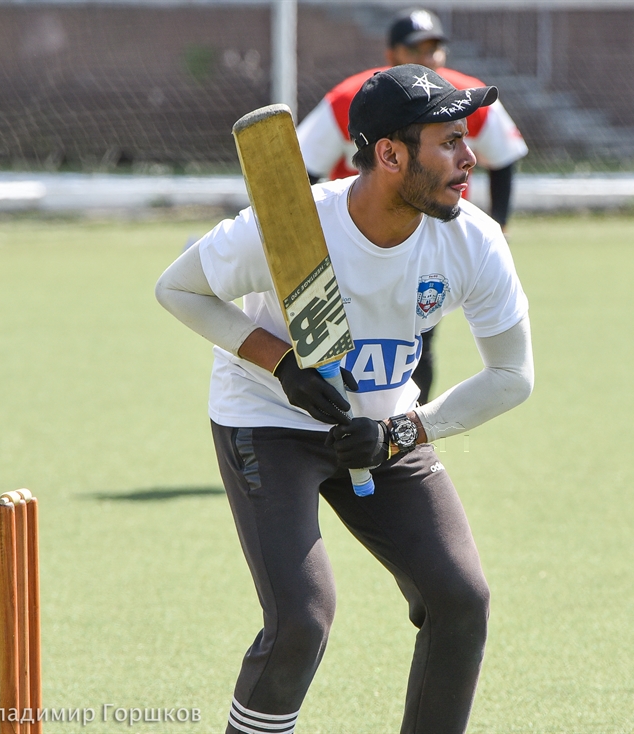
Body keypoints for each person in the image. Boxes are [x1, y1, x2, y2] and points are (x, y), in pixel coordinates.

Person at [156, 64, 533, 734]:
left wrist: (405, 432)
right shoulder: (288, 228)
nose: (470, 156)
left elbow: (511, 375)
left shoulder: (473, 241)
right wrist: (279, 362)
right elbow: (178, 290)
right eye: (448, 140)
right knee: (303, 619)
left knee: (460, 598)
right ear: (389, 154)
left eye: (465, 138)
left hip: (385, 429)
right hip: (268, 420)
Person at [297, 6, 528, 404]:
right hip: (352, 243)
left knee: (415, 343)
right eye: (415, 48)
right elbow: (302, 168)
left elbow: (504, 156)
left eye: (435, 47)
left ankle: (404, 432)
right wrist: (307, 238)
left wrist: (500, 226)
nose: (427, 57)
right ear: (391, 55)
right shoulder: (351, 99)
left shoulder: (465, 97)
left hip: (429, 242)